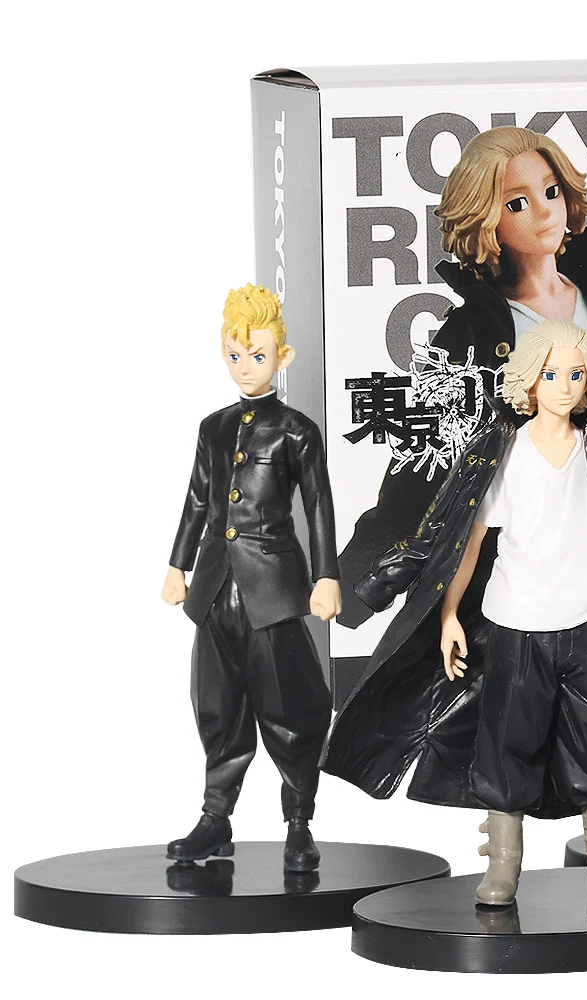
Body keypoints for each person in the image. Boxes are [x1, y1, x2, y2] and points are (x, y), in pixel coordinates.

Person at [323, 320, 587, 905]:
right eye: (551, 374)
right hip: (516, 624)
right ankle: (503, 862)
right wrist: (449, 614)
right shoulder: (502, 452)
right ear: (528, 379)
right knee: (507, 743)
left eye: (575, 374)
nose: (564, 386)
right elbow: (466, 540)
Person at [337, 128, 587, 685]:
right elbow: (419, 474)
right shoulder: (473, 333)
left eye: (551, 191)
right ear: (485, 220)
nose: (545, 211)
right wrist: (347, 588)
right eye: (516, 203)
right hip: (541, 570)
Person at [161, 284, 341, 873]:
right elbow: (197, 500)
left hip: (274, 592)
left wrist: (326, 577)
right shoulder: (212, 428)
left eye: (257, 355)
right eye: (234, 355)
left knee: (292, 709)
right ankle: (215, 818)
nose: (245, 366)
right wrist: (178, 566)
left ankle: (299, 823)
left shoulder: (296, 430)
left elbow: (318, 505)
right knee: (216, 706)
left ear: (282, 357)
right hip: (215, 590)